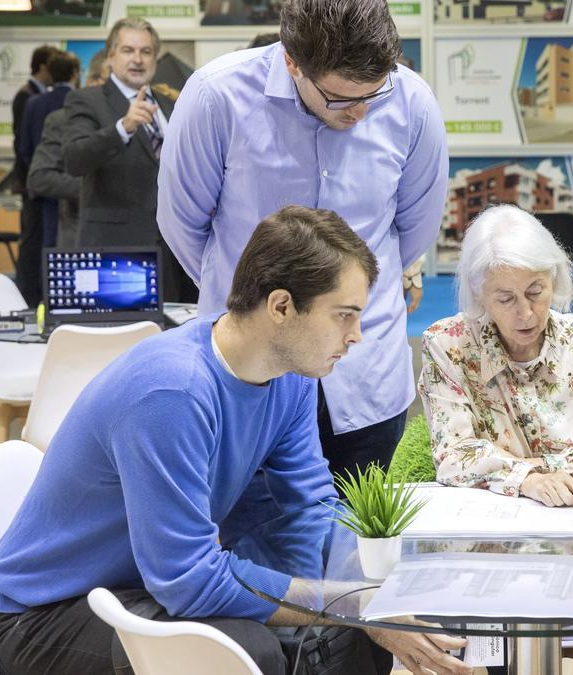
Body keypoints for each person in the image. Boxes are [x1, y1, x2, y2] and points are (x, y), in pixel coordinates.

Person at [0, 205, 472, 675]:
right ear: (281, 306)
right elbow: (188, 582)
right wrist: (344, 604)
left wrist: (369, 597)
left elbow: (310, 506)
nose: (358, 335)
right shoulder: (171, 392)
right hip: (42, 616)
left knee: (343, 634)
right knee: (246, 651)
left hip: (140, 588)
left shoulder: (291, 377)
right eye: (343, 315)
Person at [158, 0, 448, 480]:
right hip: (249, 371)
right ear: (292, 62)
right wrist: (250, 300)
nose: (359, 112)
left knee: (361, 542)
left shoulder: (412, 103)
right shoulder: (217, 97)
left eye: (373, 96)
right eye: (339, 98)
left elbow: (414, 227)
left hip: (364, 373)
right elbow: (182, 224)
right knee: (250, 536)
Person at [418, 203, 573, 674]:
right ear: (478, 294)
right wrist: (528, 477)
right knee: (505, 645)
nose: (526, 312)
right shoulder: (448, 346)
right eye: (504, 298)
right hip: (492, 547)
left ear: (555, 280)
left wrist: (560, 478)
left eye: (536, 291)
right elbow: (453, 453)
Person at [62, 17, 197, 302]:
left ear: (155, 59)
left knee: (168, 336)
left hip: (173, 254)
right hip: (115, 255)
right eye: (128, 50)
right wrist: (123, 127)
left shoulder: (170, 104)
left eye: (146, 52)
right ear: (111, 56)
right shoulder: (87, 100)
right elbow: (74, 159)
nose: (137, 59)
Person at [15, 50, 80, 306]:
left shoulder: (34, 103)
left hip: (42, 190)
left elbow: (23, 145)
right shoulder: (79, 104)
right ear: (76, 74)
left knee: (43, 247)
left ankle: (44, 302)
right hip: (71, 193)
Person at [26, 50, 109, 248]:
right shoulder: (63, 120)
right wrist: (95, 188)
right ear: (92, 80)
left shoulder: (145, 121)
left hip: (136, 246)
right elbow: (39, 178)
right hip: (80, 242)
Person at [11, 45, 58, 193]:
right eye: (53, 67)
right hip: (31, 178)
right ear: (43, 67)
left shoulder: (40, 96)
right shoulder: (26, 96)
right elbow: (22, 140)